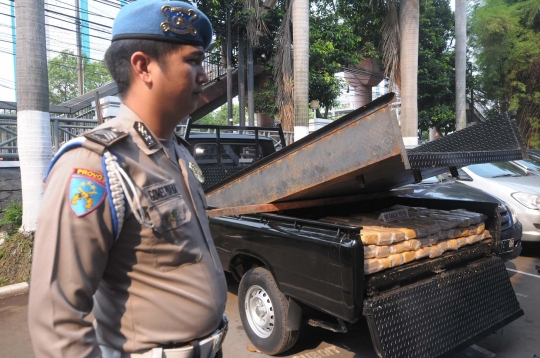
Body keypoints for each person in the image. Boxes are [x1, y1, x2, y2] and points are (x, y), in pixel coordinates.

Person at [28, 1, 228, 357]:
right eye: (193, 61)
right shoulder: (95, 164)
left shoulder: (175, 152)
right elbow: (57, 319)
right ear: (143, 66)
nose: (204, 75)